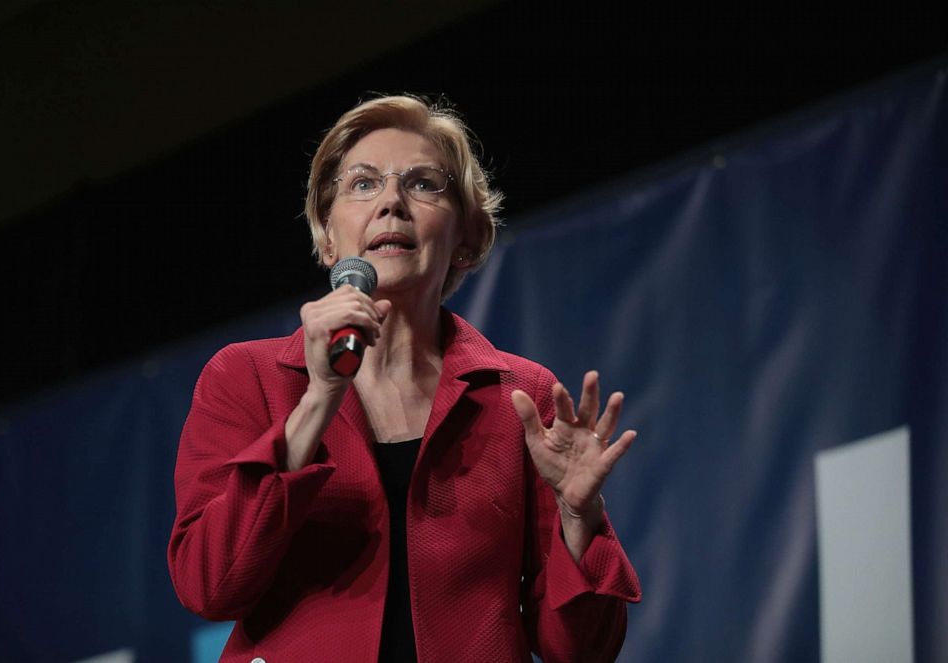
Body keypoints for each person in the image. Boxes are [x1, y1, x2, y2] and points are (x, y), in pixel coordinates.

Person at [168, 95, 641, 662]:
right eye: (362, 185)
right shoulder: (247, 377)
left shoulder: (521, 396)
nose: (391, 202)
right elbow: (210, 586)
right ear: (326, 234)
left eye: (424, 184)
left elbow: (580, 652)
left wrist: (578, 518)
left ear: (466, 238)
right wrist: (317, 401)